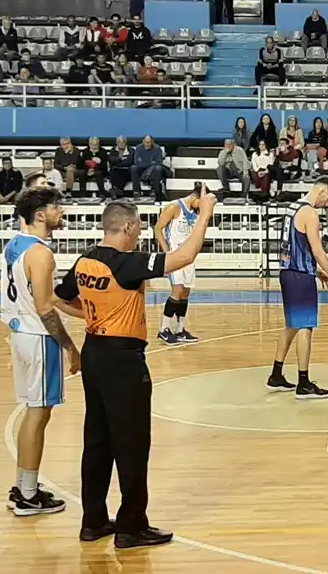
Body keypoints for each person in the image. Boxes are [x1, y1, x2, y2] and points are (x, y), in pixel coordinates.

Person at [53, 191, 217, 550]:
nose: (141, 232)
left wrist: (94, 316)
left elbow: (61, 296)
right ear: (126, 226)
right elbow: (185, 256)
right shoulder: (126, 263)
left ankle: (93, 521)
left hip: (94, 351)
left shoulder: (84, 261)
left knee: (96, 442)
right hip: (122, 359)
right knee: (131, 444)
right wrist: (205, 213)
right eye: (139, 226)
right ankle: (131, 526)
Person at [0, 187, 81, 516]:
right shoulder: (42, 254)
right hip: (38, 337)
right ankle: (28, 495)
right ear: (39, 215)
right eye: (55, 207)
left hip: (19, 333)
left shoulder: (14, 246)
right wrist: (71, 348)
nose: (61, 211)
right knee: (39, 414)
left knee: (33, 412)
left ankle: (23, 487)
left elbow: (42, 297)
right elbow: (47, 309)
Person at [267, 176, 328, 398]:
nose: (326, 204)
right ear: (320, 192)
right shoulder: (310, 213)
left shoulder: (292, 207)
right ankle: (304, 383)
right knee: (305, 327)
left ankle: (276, 374)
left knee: (291, 325)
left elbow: (295, 244)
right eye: (327, 200)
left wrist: (315, 271)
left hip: (287, 271)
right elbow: (317, 250)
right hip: (299, 276)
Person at [153, 191, 205, 345]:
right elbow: (158, 228)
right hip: (175, 256)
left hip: (188, 257)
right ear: (194, 198)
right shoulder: (174, 207)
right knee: (178, 290)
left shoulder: (195, 213)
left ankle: (180, 329)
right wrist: (167, 251)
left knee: (186, 292)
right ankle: (164, 330)